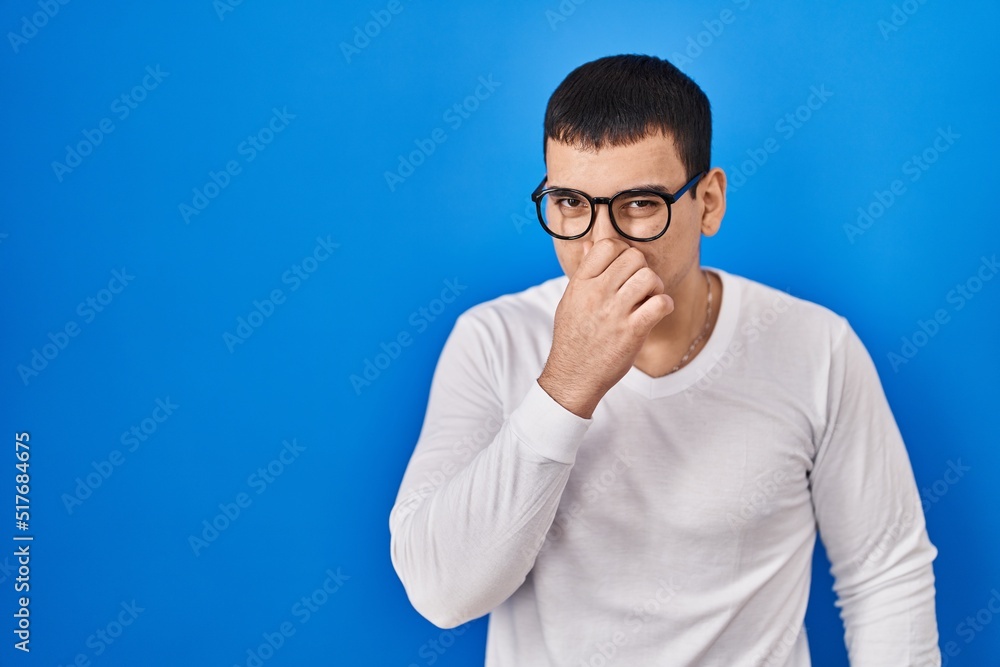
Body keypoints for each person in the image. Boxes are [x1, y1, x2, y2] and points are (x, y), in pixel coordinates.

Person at [388, 54, 940, 666]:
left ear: (708, 201)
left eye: (641, 204)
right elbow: (442, 594)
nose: (602, 244)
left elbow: (886, 576)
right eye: (570, 202)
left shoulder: (817, 347)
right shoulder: (492, 339)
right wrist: (566, 387)